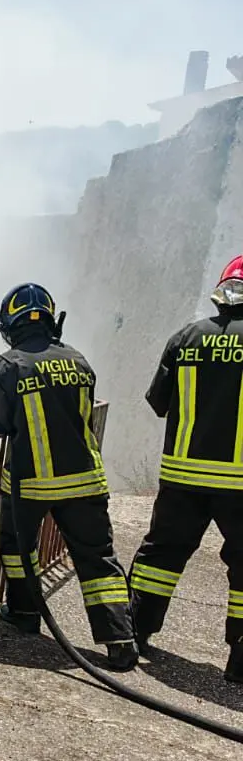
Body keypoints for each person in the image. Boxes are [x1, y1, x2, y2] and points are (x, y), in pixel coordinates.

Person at [0, 283, 138, 671]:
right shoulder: (79, 361)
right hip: (85, 482)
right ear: (52, 321)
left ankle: (24, 614)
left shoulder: (6, 366)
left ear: (10, 325)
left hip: (29, 486)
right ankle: (120, 641)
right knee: (98, 560)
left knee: (19, 550)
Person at [128, 255, 243, 680]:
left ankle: (132, 634)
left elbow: (159, 402)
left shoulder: (187, 336)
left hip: (183, 477)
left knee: (161, 556)